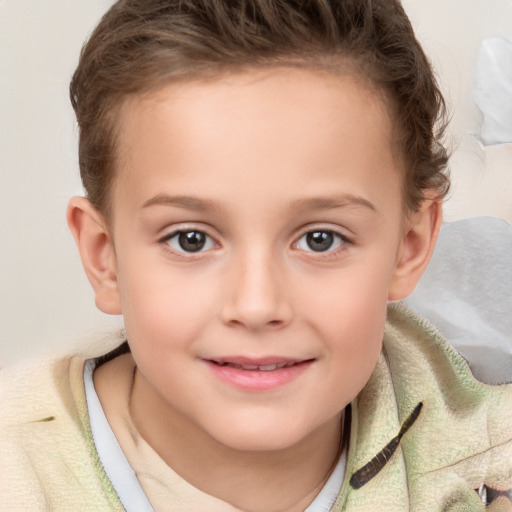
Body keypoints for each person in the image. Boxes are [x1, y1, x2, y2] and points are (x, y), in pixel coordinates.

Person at [1, 0, 511, 510]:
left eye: (320, 239)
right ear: (103, 255)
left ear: (410, 246)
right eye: (191, 239)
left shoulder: (485, 457)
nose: (256, 305)